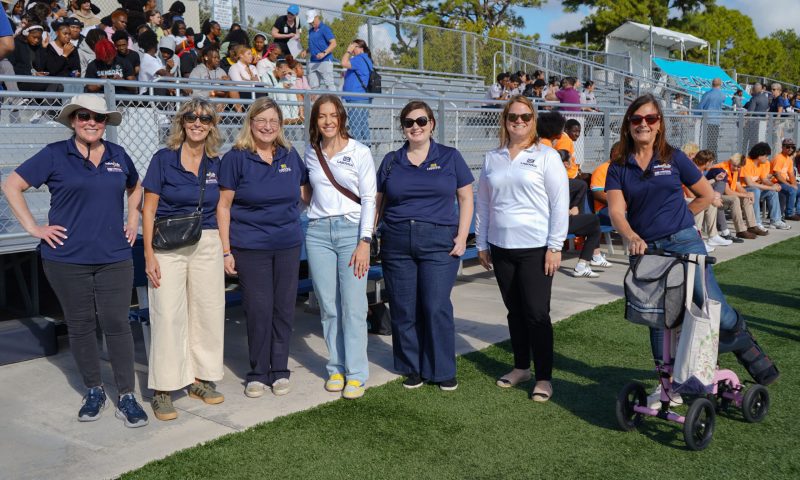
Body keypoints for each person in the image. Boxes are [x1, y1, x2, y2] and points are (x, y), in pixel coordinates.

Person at [605, 94, 779, 408]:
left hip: (683, 243)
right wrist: (630, 235)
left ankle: (744, 342)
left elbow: (705, 193)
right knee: (659, 317)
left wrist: (683, 219)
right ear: (628, 124)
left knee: (714, 309)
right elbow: (617, 211)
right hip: (646, 250)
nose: (643, 124)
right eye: (636, 119)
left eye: (650, 119)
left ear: (659, 125)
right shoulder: (619, 164)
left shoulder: (673, 158)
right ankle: (667, 385)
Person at [1, 94, 149, 427]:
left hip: (114, 256)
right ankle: (94, 389)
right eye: (84, 116)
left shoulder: (118, 154)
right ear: (73, 120)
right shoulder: (55, 154)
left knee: (117, 323)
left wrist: (132, 220)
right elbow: (11, 185)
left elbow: (136, 188)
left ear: (106, 122)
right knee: (81, 326)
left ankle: (126, 395)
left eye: (99, 117)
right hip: (66, 258)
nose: (92, 122)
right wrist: (33, 227)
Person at [476, 95, 569, 401]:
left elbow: (559, 204)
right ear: (504, 120)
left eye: (525, 117)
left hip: (536, 248)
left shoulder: (546, 156)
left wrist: (555, 246)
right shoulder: (493, 157)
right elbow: (484, 204)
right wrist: (482, 242)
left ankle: (543, 376)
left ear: (533, 120)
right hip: (501, 246)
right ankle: (521, 367)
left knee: (536, 314)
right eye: (513, 117)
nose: (518, 122)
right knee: (514, 312)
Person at [376, 100, 474, 391]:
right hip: (396, 240)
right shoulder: (391, 160)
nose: (415, 127)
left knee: (435, 306)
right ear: (403, 128)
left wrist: (462, 235)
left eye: (421, 121)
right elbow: (379, 202)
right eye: (409, 122)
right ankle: (411, 366)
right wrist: (369, 234)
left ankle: (442, 369)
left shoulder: (449, 156)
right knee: (404, 308)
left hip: (438, 241)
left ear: (432, 124)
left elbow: (466, 198)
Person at [217, 98, 310, 399]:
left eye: (273, 120)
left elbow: (306, 192)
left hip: (287, 244)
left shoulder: (290, 155)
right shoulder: (236, 158)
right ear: (251, 123)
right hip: (250, 246)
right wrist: (226, 250)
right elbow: (224, 206)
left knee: (283, 308)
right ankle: (258, 372)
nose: (268, 126)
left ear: (281, 125)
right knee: (258, 310)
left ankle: (280, 370)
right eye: (261, 120)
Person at [141, 98, 225, 421]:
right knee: (167, 313)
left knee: (207, 311)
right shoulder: (163, 159)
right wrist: (149, 252)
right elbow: (148, 209)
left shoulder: (216, 162)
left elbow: (222, 207)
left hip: (207, 242)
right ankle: (163, 388)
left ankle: (199, 380)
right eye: (192, 116)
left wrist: (226, 249)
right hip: (168, 243)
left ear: (212, 125)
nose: (198, 122)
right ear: (182, 121)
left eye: (205, 118)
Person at [304, 95, 376, 400]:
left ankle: (357, 373)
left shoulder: (360, 151)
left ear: (342, 118)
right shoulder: (310, 152)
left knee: (354, 307)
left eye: (333, 115)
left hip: (352, 234)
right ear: (315, 121)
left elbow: (370, 199)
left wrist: (365, 241)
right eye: (322, 116)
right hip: (318, 233)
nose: (328, 121)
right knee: (328, 306)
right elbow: (307, 192)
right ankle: (336, 367)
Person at [740, 142, 790, 230]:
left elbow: (764, 180)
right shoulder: (746, 162)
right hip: (742, 190)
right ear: (759, 155)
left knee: (771, 191)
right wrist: (771, 187)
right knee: (755, 190)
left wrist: (774, 185)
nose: (767, 158)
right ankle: (756, 223)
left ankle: (775, 221)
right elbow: (749, 183)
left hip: (756, 191)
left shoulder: (764, 163)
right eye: (766, 155)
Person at [341, 38, 374, 144]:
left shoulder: (359, 59)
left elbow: (344, 63)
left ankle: (358, 150)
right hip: (363, 97)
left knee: (355, 125)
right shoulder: (366, 59)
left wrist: (348, 51)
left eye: (354, 47)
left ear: (361, 48)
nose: (352, 49)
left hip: (357, 98)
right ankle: (366, 148)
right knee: (363, 124)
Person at [306, 9, 336, 91]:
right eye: (310, 22)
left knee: (329, 85)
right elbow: (313, 45)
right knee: (313, 86)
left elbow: (333, 43)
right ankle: (315, 103)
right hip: (313, 61)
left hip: (325, 61)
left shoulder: (325, 28)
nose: (311, 23)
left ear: (317, 17)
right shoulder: (310, 31)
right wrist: (306, 51)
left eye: (312, 21)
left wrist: (324, 53)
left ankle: (336, 103)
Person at [771, 138, 800, 221]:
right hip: (775, 183)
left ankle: (798, 212)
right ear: (783, 147)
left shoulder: (789, 159)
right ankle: (789, 214)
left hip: (784, 182)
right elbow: (777, 175)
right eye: (788, 147)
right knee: (792, 190)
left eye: (792, 147)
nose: (790, 149)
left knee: (798, 188)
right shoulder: (779, 158)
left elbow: (791, 175)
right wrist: (790, 185)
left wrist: (794, 184)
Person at [698, 78, 725, 154]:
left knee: (706, 141)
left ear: (712, 84)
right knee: (714, 141)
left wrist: (696, 116)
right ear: (720, 84)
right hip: (717, 121)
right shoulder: (722, 95)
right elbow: (722, 101)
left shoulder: (708, 94)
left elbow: (700, 106)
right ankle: (714, 158)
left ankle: (706, 158)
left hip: (707, 120)